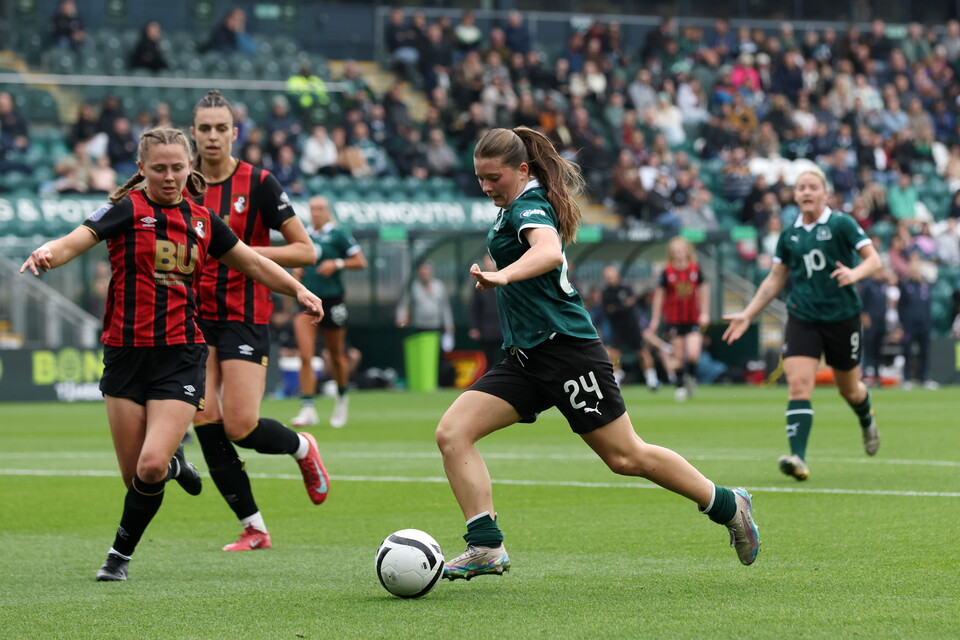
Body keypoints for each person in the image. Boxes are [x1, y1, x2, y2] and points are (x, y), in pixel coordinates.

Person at [437, 127, 760, 582]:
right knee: (453, 433)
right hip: (526, 357)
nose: (486, 186)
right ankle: (486, 545)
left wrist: (504, 276)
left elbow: (548, 252)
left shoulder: (529, 205)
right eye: (480, 178)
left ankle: (728, 504)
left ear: (522, 170)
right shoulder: (512, 206)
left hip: (567, 351)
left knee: (626, 457)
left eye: (494, 177)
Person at [19, 127, 325, 581]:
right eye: (159, 168)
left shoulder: (203, 220)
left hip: (180, 355)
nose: (169, 176)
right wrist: (47, 253)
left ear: (189, 167)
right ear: (141, 168)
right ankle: (176, 464)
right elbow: (75, 240)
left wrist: (298, 290)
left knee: (149, 466)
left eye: (177, 168)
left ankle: (118, 558)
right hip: (125, 357)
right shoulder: (127, 209)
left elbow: (254, 263)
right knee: (137, 477)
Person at [189, 90, 329, 553]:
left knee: (240, 426)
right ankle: (254, 527)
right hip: (193, 315)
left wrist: (240, 252)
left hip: (244, 313)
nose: (212, 136)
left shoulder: (260, 182)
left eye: (220, 128)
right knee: (204, 418)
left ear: (235, 133)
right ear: (193, 133)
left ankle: (302, 447)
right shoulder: (182, 183)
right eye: (204, 128)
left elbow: (306, 251)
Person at [722, 168, 882, 482]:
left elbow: (874, 260)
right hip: (803, 316)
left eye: (812, 187)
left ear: (825, 193)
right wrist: (748, 314)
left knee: (849, 390)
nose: (807, 192)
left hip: (842, 317)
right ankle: (798, 458)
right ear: (794, 195)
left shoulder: (841, 223)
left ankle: (866, 418)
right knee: (798, 384)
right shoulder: (789, 235)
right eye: (801, 188)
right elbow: (775, 279)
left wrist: (854, 274)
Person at [291, 196, 367, 429]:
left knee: (336, 354)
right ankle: (307, 407)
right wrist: (297, 271)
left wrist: (337, 263)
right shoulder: (303, 235)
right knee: (305, 355)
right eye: (313, 209)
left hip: (332, 301)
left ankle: (342, 399)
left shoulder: (338, 235)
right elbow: (297, 260)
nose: (316, 213)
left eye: (320, 209)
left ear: (328, 211)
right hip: (308, 302)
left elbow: (360, 261)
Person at [648, 237, 710, 402]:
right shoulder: (667, 271)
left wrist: (705, 312)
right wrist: (655, 319)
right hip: (674, 319)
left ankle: (691, 378)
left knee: (693, 354)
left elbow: (704, 290)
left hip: (692, 318)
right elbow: (659, 297)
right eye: (675, 251)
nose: (679, 254)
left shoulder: (695, 269)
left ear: (687, 251)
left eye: (681, 250)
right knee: (679, 355)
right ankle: (680, 386)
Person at [600, 264, 660, 391]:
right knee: (614, 356)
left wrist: (617, 308)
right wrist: (622, 306)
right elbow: (609, 310)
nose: (610, 279)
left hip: (632, 327)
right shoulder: (605, 293)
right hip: (617, 329)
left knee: (643, 352)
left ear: (617, 276)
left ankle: (652, 380)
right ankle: (616, 379)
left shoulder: (626, 288)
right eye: (607, 277)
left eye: (612, 276)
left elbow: (629, 304)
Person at [468, 254, 504, 374]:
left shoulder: (506, 280)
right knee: (489, 360)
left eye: (491, 261)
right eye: (487, 261)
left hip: (503, 330)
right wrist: (475, 327)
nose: (489, 264)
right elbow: (475, 308)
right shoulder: (479, 284)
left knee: (505, 359)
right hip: (487, 331)